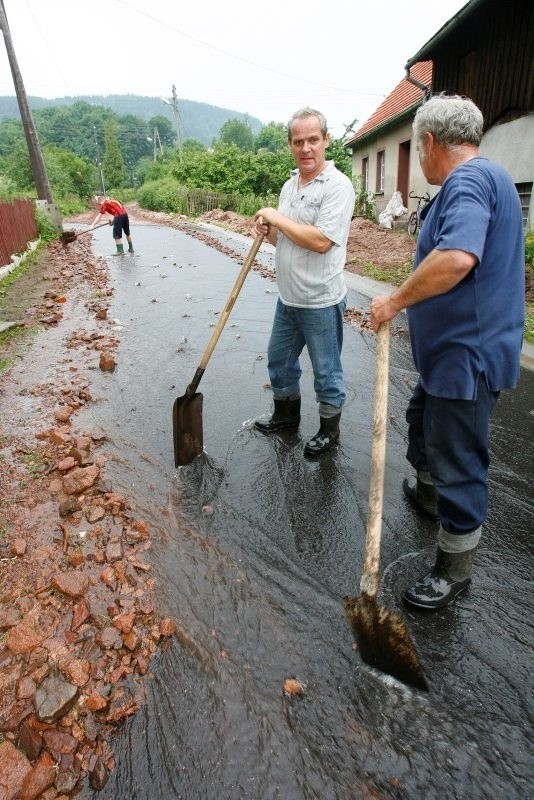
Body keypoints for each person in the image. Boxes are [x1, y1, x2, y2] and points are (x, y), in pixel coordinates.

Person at [369, 94, 525, 609]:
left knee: (459, 457)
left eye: (420, 148)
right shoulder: (493, 177)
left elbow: (457, 257)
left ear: (432, 142)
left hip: (467, 358)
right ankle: (430, 495)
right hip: (451, 358)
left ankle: (454, 568)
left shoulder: (467, 182)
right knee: (423, 425)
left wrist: (394, 299)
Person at [253, 107, 355, 456]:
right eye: (298, 141)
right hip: (288, 298)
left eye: (313, 139)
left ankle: (329, 430)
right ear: (290, 145)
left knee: (326, 371)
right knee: (279, 361)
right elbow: (283, 240)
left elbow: (320, 241)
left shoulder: (338, 187)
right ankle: (286, 415)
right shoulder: (289, 185)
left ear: (326, 140)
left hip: (320, 300)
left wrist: (277, 217)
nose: (306, 147)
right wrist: (269, 231)